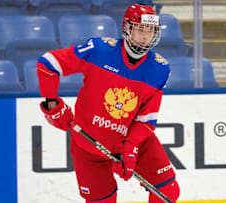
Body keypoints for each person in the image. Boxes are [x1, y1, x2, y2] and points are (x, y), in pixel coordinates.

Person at [37, 4, 180, 203]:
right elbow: (48, 64)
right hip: (89, 145)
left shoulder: (159, 69)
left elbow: (147, 120)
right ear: (128, 28)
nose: (146, 36)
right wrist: (52, 104)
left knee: (168, 191)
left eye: (151, 30)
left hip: (135, 141)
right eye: (141, 29)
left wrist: (130, 146)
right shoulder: (100, 50)